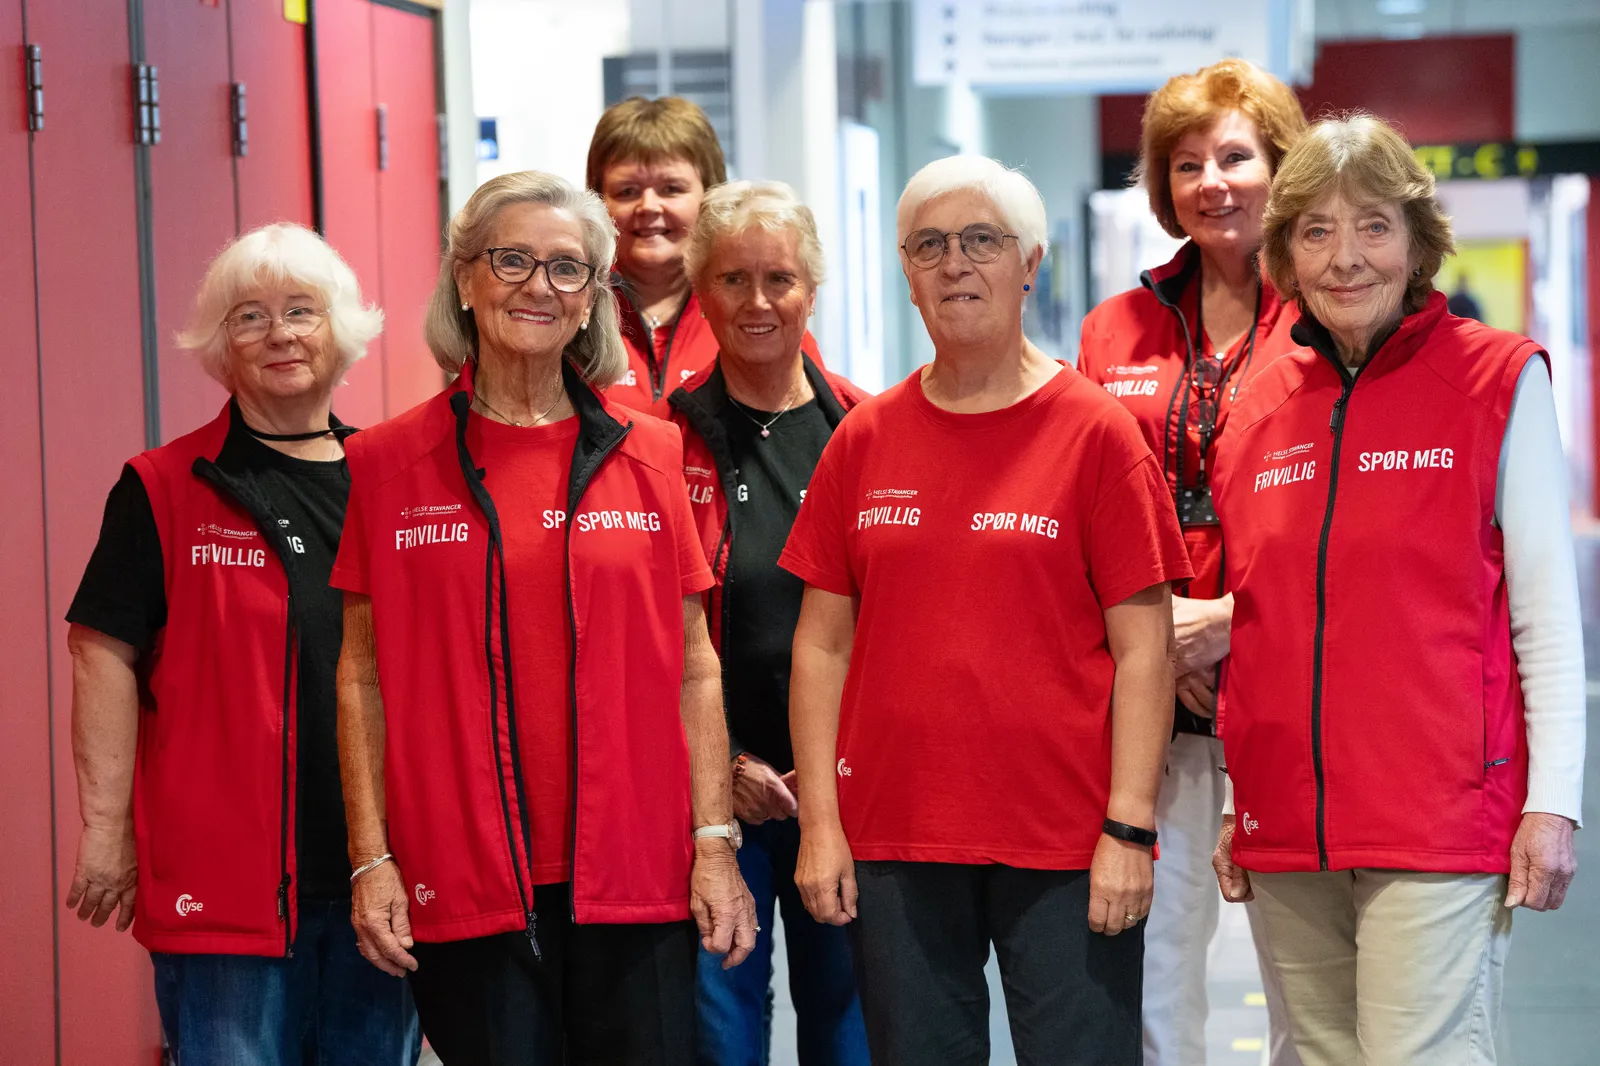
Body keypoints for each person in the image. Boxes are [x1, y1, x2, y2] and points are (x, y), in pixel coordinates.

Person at [332, 170, 757, 1066]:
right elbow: (361, 677)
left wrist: (714, 844)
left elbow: (696, 666)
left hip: (636, 874)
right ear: (465, 276)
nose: (538, 287)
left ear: (594, 297)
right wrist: (371, 861)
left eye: (567, 269)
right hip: (463, 873)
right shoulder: (385, 462)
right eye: (513, 260)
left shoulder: (650, 449)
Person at [781, 155, 1193, 1065]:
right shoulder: (864, 439)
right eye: (930, 245)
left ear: (1030, 262)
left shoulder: (1096, 435)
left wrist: (1130, 826)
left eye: (981, 241)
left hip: (1067, 841)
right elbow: (821, 649)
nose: (956, 264)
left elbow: (1146, 653)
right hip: (894, 838)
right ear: (906, 272)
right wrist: (821, 825)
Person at [1210, 114, 1585, 1066]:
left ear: (1417, 242)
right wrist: (1230, 802)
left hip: (1438, 818)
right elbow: (1253, 627)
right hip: (1287, 818)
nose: (1346, 257)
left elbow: (1546, 615)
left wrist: (1554, 802)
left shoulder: (1498, 382)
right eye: (1317, 230)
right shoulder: (1256, 409)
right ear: (1287, 250)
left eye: (1373, 225)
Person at [63, 223, 419, 1064]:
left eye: (302, 310)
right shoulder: (162, 487)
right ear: (219, 347)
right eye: (248, 317)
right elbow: (100, 654)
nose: (280, 333)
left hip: (383, 870)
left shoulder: (399, 482)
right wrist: (106, 829)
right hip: (223, 886)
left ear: (343, 330)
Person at [1075, 57, 1307, 1066]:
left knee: (1299, 956)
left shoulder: (1331, 316)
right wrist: (1161, 635)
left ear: (1278, 163)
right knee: (1157, 957)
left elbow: (1337, 512)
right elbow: (1086, 501)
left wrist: (1231, 621)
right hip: (1152, 686)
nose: (1210, 180)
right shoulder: (1112, 328)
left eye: (1233, 155)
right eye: (1184, 164)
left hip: (1293, 686)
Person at [667, 180, 871, 1066]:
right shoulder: (654, 445)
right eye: (732, 280)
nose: (757, 302)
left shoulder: (866, 432)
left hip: (850, 794)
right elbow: (653, 646)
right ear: (698, 293)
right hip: (717, 800)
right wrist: (728, 771)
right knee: (720, 1041)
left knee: (852, 1034)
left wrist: (827, 772)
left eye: (779, 279)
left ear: (812, 287)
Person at [586, 96, 818, 416]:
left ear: (709, 196)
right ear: (598, 202)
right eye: (628, 191)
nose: (649, 206)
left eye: (671, 189)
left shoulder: (759, 312)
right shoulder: (573, 311)